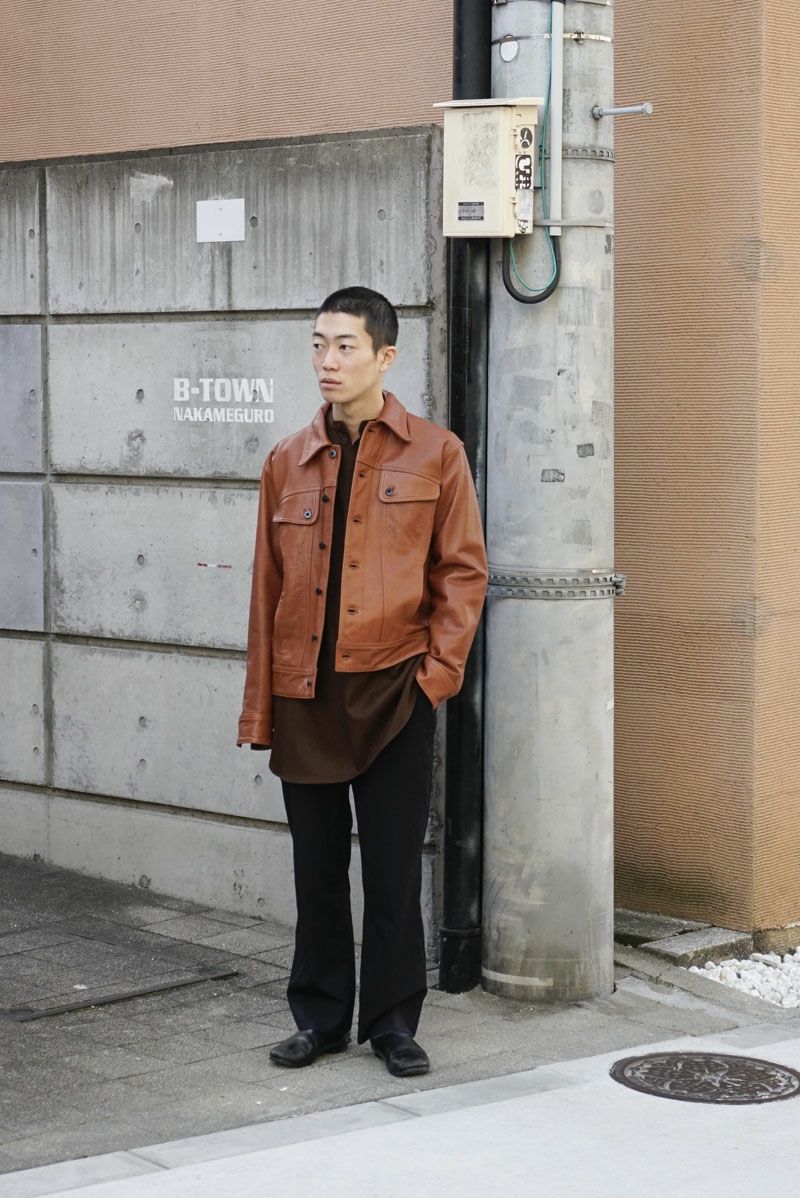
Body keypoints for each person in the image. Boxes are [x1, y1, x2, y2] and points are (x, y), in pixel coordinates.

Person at [237, 286, 488, 1077]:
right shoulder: (286, 460)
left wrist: (434, 679)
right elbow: (267, 591)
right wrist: (260, 707)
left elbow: (463, 573)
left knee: (391, 869)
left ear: (385, 357)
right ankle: (318, 1018)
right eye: (318, 344)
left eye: (344, 346)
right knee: (316, 871)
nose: (327, 360)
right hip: (305, 694)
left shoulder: (436, 453)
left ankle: (391, 1022)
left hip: (395, 692)